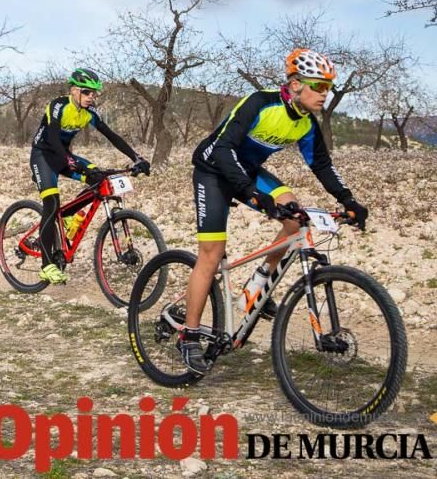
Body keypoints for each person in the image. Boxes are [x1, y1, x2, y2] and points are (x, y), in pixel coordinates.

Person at [179, 48, 369, 375]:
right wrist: (252, 193)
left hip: (248, 171)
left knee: (295, 216)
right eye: (320, 86)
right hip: (214, 169)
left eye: (329, 88)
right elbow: (223, 149)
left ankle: (258, 287)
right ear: (295, 84)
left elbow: (321, 164)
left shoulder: (306, 123)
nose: (326, 94)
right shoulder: (260, 103)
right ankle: (190, 334)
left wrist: (348, 199)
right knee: (211, 254)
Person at [30, 68, 150, 284]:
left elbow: (112, 136)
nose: (91, 97)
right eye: (87, 92)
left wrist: (137, 157)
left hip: (64, 155)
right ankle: (46, 266)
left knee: (99, 178)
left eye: (95, 93)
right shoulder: (59, 105)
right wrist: (71, 162)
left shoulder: (90, 113)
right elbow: (54, 139)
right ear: (74, 90)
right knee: (51, 202)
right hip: (44, 155)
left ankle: (66, 218)